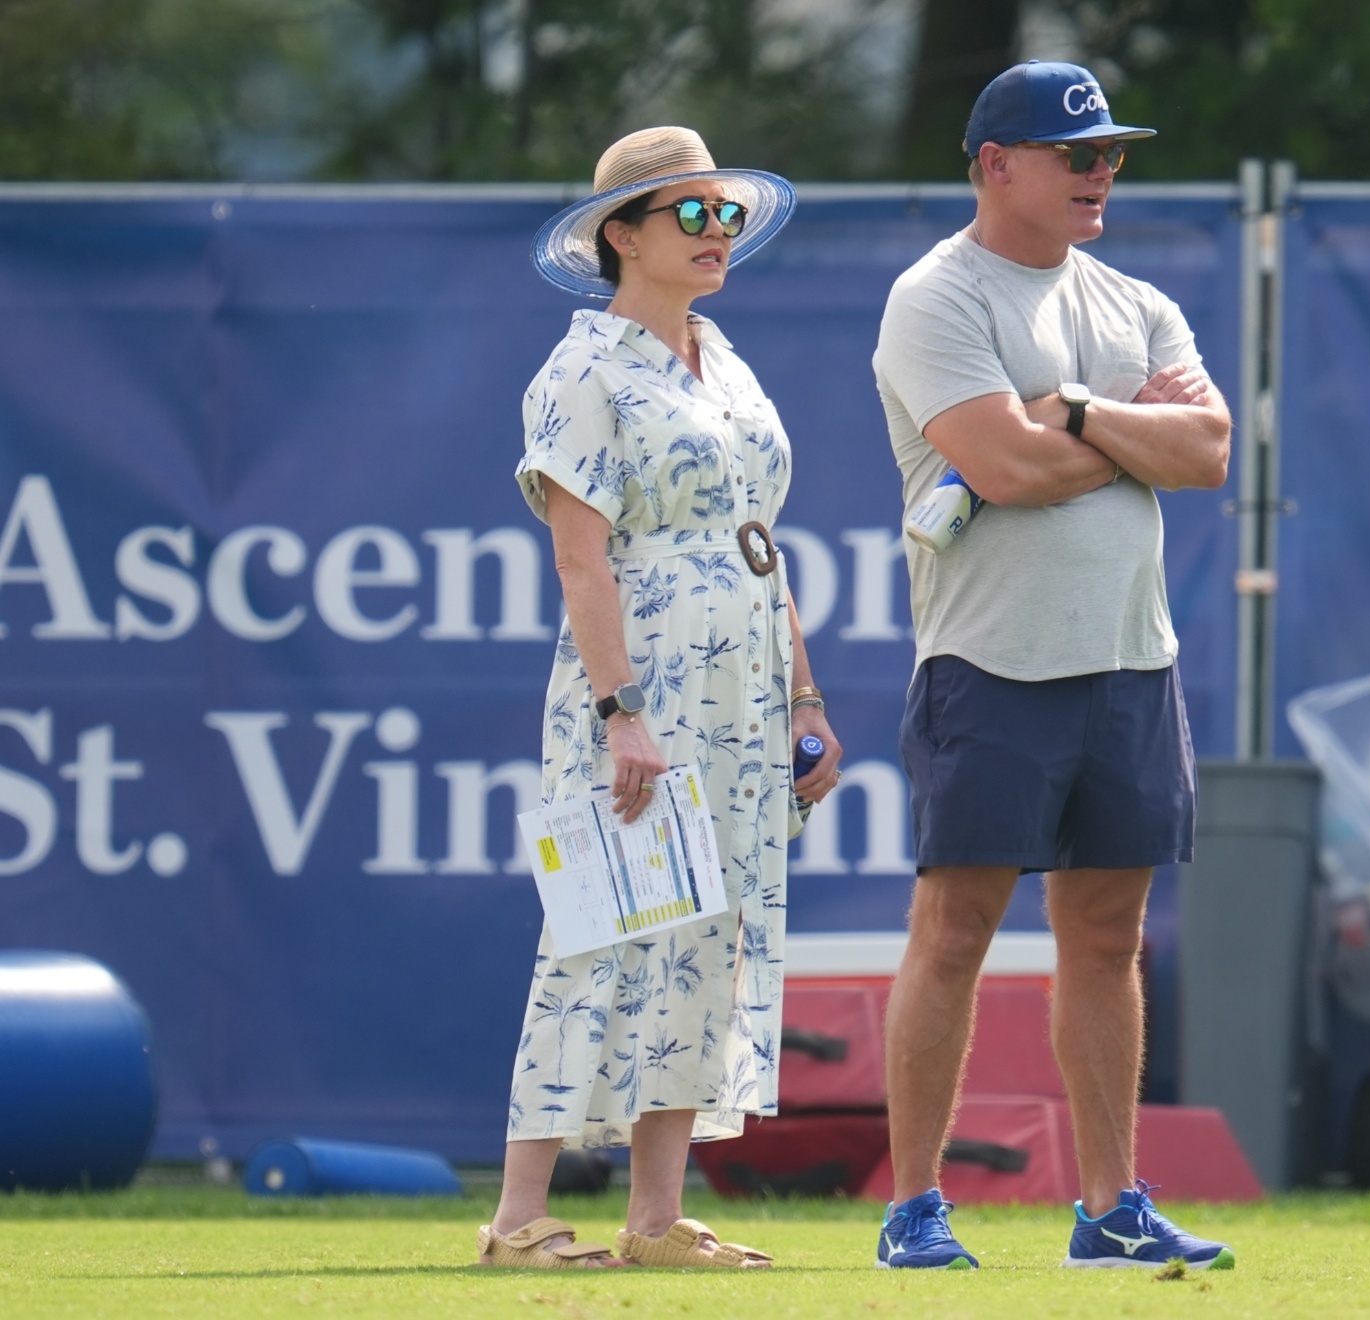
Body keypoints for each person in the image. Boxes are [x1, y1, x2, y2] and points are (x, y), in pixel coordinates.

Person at [870, 63, 1235, 1271]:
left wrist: (1074, 410)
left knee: (1107, 939)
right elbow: (1003, 470)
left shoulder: (1133, 299)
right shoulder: (936, 297)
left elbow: (1212, 450)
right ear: (994, 165)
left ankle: (1111, 1209)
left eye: (1110, 155)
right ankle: (914, 1208)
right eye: (1075, 154)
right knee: (955, 929)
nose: (1099, 174)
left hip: (1132, 661)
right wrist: (1129, 428)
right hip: (989, 662)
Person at [477, 126, 843, 1270]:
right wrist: (618, 708)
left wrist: (803, 699)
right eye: (689, 213)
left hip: (742, 681)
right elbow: (581, 559)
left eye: (724, 211)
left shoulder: (722, 358)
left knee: (708, 940)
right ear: (619, 237)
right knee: (597, 927)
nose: (716, 230)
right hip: (639, 679)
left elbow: (758, 540)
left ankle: (654, 1218)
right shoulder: (579, 372)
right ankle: (517, 1218)